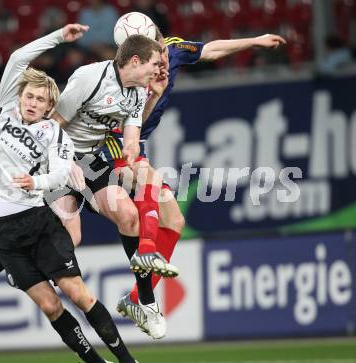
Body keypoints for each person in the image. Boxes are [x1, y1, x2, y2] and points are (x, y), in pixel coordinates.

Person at [0, 33, 175, 340]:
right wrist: (63, 163)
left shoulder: (139, 91)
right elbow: (53, 122)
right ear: (135, 61)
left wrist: (130, 150)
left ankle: (144, 301)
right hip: (59, 161)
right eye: (155, 63)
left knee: (129, 216)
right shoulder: (90, 78)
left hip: (90, 160)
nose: (159, 69)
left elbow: (131, 136)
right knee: (69, 239)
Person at [101, 27, 287, 335]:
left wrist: (253, 40)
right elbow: (133, 125)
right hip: (119, 143)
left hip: (138, 144)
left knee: (173, 220)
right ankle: (145, 256)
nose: (158, 60)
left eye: (158, 48)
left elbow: (211, 49)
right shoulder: (127, 79)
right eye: (149, 54)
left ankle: (136, 299)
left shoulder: (172, 50)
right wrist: (155, 94)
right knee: (145, 180)